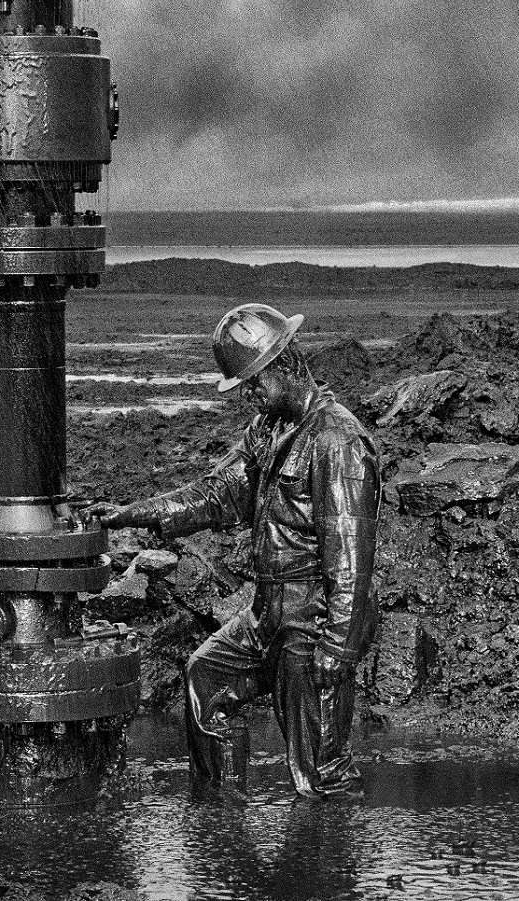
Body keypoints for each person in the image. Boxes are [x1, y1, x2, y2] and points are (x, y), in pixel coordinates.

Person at [87, 303, 380, 800]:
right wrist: (129, 513)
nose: (249, 395)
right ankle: (223, 818)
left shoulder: (338, 441)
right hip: (268, 611)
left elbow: (350, 559)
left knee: (320, 773)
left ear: (286, 366)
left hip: (313, 616)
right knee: (207, 678)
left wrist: (339, 649)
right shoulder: (267, 430)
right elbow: (217, 493)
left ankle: (330, 864)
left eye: (254, 382)